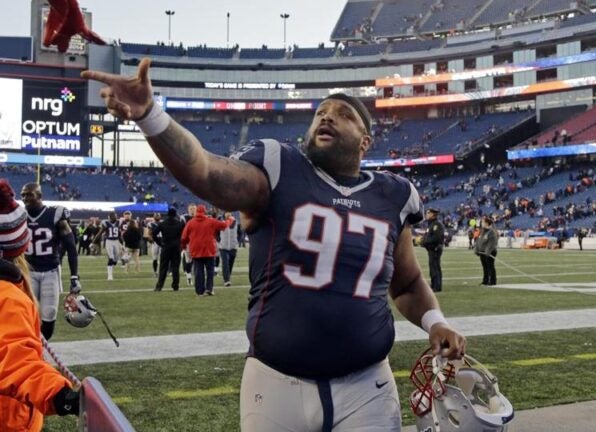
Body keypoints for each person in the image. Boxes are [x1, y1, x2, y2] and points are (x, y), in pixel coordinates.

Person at [83, 59, 465, 431]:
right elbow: (206, 171)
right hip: (277, 382)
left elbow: (407, 283)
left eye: (343, 114)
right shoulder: (280, 167)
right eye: (321, 112)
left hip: (367, 385)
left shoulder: (393, 195)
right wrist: (151, 115)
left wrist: (436, 323)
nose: (327, 117)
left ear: (365, 142)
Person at [0, 179, 80, 430]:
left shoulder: (54, 215)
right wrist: (61, 396)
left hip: (48, 269)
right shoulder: (8, 297)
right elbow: (12, 360)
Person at [20, 182, 80, 340]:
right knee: (25, 313)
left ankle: (41, 349)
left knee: (49, 314)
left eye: (29, 194)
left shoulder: (55, 214)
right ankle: (31, 349)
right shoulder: (18, 215)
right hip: (28, 271)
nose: (25, 198)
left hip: (51, 271)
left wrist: (74, 277)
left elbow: (71, 247)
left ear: (39, 196)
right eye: (23, 194)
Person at [181, 204, 231, 296]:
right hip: (209, 250)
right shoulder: (210, 221)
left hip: (196, 250)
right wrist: (229, 220)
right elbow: (223, 225)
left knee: (198, 271)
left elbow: (184, 237)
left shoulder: (191, 223)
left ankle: (199, 291)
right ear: (204, 211)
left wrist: (184, 246)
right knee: (210, 271)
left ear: (196, 212)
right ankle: (209, 288)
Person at [153, 207, 184, 292]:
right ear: (175, 214)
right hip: (176, 247)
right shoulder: (180, 224)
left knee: (163, 267)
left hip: (166, 247)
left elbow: (154, 234)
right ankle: (175, 285)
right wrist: (181, 244)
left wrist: (160, 243)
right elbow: (184, 235)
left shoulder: (162, 224)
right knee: (175, 267)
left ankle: (159, 286)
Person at [420, 208, 445, 292]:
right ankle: (433, 284)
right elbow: (428, 236)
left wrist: (424, 241)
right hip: (431, 249)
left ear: (433, 215)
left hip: (435, 248)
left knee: (435, 267)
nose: (426, 215)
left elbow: (436, 238)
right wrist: (423, 241)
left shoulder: (436, 225)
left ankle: (437, 286)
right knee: (432, 267)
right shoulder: (431, 224)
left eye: (428, 213)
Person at [94, 212, 122, 281]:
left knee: (115, 260)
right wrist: (93, 242)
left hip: (116, 241)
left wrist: (122, 243)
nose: (116, 217)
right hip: (109, 241)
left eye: (116, 216)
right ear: (110, 217)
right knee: (111, 258)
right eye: (114, 216)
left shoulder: (118, 222)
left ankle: (114, 263)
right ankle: (110, 276)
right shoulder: (106, 223)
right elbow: (99, 233)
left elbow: (119, 234)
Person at [474, 216, 498, 286]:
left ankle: (492, 281)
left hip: (490, 252)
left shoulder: (491, 232)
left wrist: (487, 251)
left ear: (487, 223)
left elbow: (492, 243)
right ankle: (485, 280)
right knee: (484, 267)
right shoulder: (482, 231)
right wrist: (476, 249)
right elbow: (478, 241)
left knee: (490, 267)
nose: (481, 223)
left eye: (483, 222)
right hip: (482, 253)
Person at [218, 211, 239, 287]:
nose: (228, 214)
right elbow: (216, 232)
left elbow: (240, 232)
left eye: (229, 212)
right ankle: (226, 280)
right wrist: (219, 240)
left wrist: (238, 241)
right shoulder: (220, 220)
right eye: (226, 212)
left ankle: (228, 276)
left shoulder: (235, 221)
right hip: (223, 246)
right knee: (225, 263)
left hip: (233, 246)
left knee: (230, 263)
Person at [180, 203, 197, 285]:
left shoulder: (199, 217)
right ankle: (189, 276)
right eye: (191, 209)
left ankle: (194, 275)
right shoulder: (184, 218)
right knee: (188, 260)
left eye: (194, 209)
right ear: (188, 209)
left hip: (198, 242)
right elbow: (181, 231)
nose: (192, 210)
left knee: (197, 260)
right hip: (188, 242)